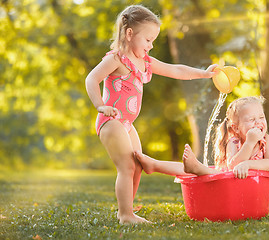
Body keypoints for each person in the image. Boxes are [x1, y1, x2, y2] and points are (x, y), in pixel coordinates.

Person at [85, 5, 217, 224]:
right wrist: (100, 105)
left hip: (126, 123)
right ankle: (125, 215)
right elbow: (91, 79)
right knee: (127, 166)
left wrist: (204, 74)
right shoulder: (116, 59)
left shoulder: (145, 62)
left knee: (137, 165)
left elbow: (176, 70)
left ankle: (127, 208)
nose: (151, 45)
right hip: (111, 121)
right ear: (129, 34)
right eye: (148, 39)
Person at [135, 96, 269, 180]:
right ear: (236, 128)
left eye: (261, 117)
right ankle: (154, 165)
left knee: (201, 170)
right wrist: (249, 143)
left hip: (253, 190)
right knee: (207, 172)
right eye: (251, 119)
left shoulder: (267, 140)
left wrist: (248, 165)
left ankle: (195, 168)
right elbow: (234, 166)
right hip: (229, 186)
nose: (258, 122)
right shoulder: (234, 141)